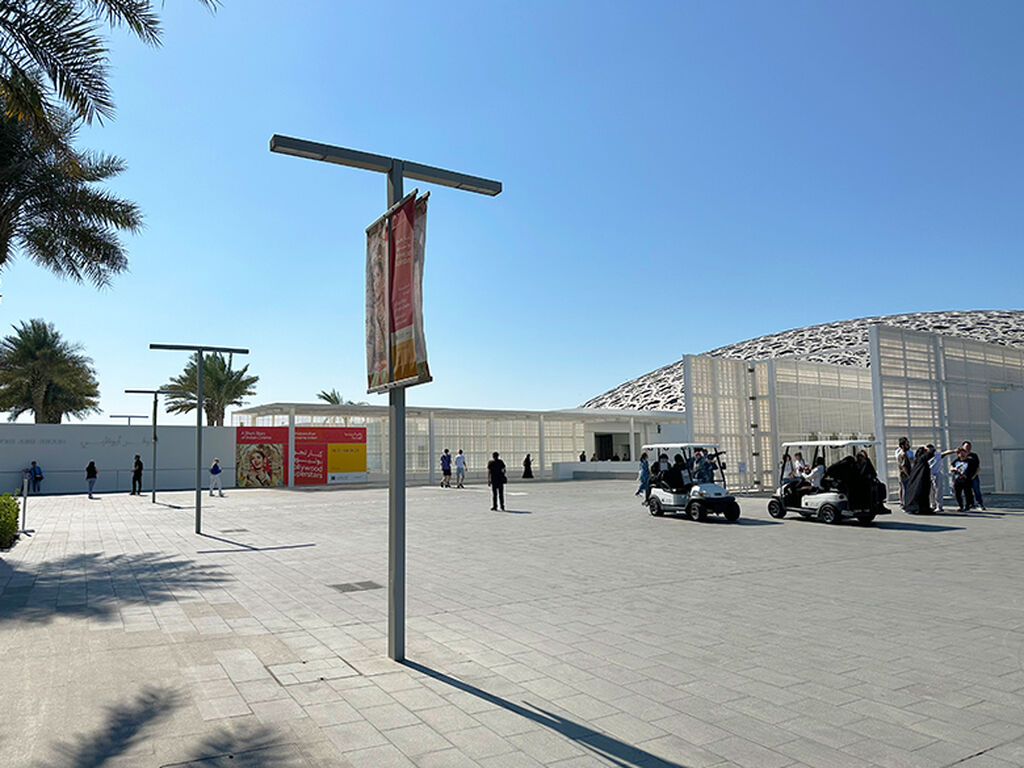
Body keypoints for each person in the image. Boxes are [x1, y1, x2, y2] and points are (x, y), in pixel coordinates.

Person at [903, 445, 935, 514]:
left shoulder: (917, 460)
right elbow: (931, 453)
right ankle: (922, 509)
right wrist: (928, 448)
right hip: (922, 481)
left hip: (919, 481)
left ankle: (920, 509)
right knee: (923, 495)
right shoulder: (922, 459)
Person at [962, 441, 985, 510]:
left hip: (974, 476)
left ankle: (980, 504)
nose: (968, 448)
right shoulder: (961, 456)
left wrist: (974, 475)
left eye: (969, 447)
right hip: (965, 477)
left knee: (976, 490)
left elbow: (978, 466)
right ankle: (970, 504)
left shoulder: (974, 455)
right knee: (967, 491)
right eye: (966, 447)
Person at [896, 437, 912, 507]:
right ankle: (905, 504)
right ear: (902, 446)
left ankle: (905, 504)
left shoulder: (904, 454)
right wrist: (908, 475)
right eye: (907, 444)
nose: (908, 446)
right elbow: (904, 466)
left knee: (905, 489)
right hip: (904, 476)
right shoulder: (903, 454)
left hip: (903, 475)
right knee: (905, 490)